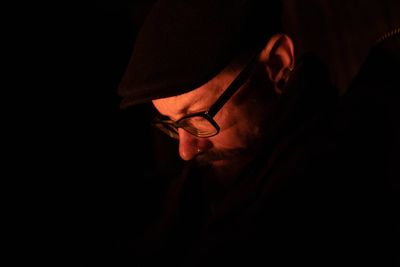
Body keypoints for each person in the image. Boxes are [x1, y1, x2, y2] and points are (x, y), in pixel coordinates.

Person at [117, 0, 398, 266]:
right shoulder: (195, 192)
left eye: (198, 118)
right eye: (173, 124)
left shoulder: (333, 187)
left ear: (276, 63)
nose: (186, 150)